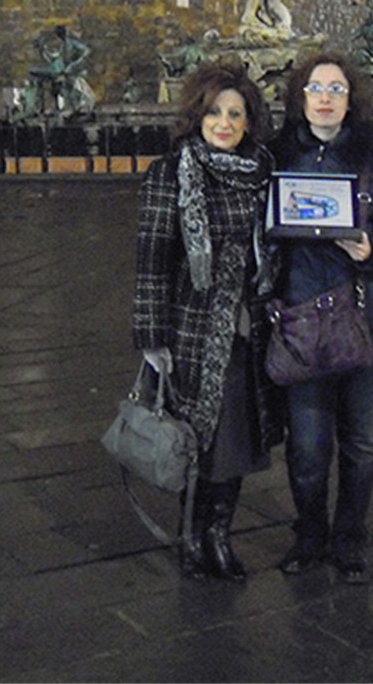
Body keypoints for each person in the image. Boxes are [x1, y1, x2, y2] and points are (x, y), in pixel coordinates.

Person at [269, 51, 373, 584]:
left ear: (350, 98)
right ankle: (310, 535)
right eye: (315, 88)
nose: (325, 97)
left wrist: (371, 248)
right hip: (302, 320)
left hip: (369, 317)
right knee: (307, 445)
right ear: (299, 97)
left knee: (361, 441)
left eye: (335, 88)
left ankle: (350, 539)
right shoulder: (277, 157)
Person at [132, 63, 280, 582]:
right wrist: (151, 338)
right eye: (215, 111)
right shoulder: (171, 174)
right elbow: (151, 259)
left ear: (249, 121)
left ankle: (220, 533)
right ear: (197, 116)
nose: (224, 122)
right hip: (191, 331)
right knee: (196, 442)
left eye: (235, 113)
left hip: (247, 332)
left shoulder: (263, 172)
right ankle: (192, 537)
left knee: (236, 442)